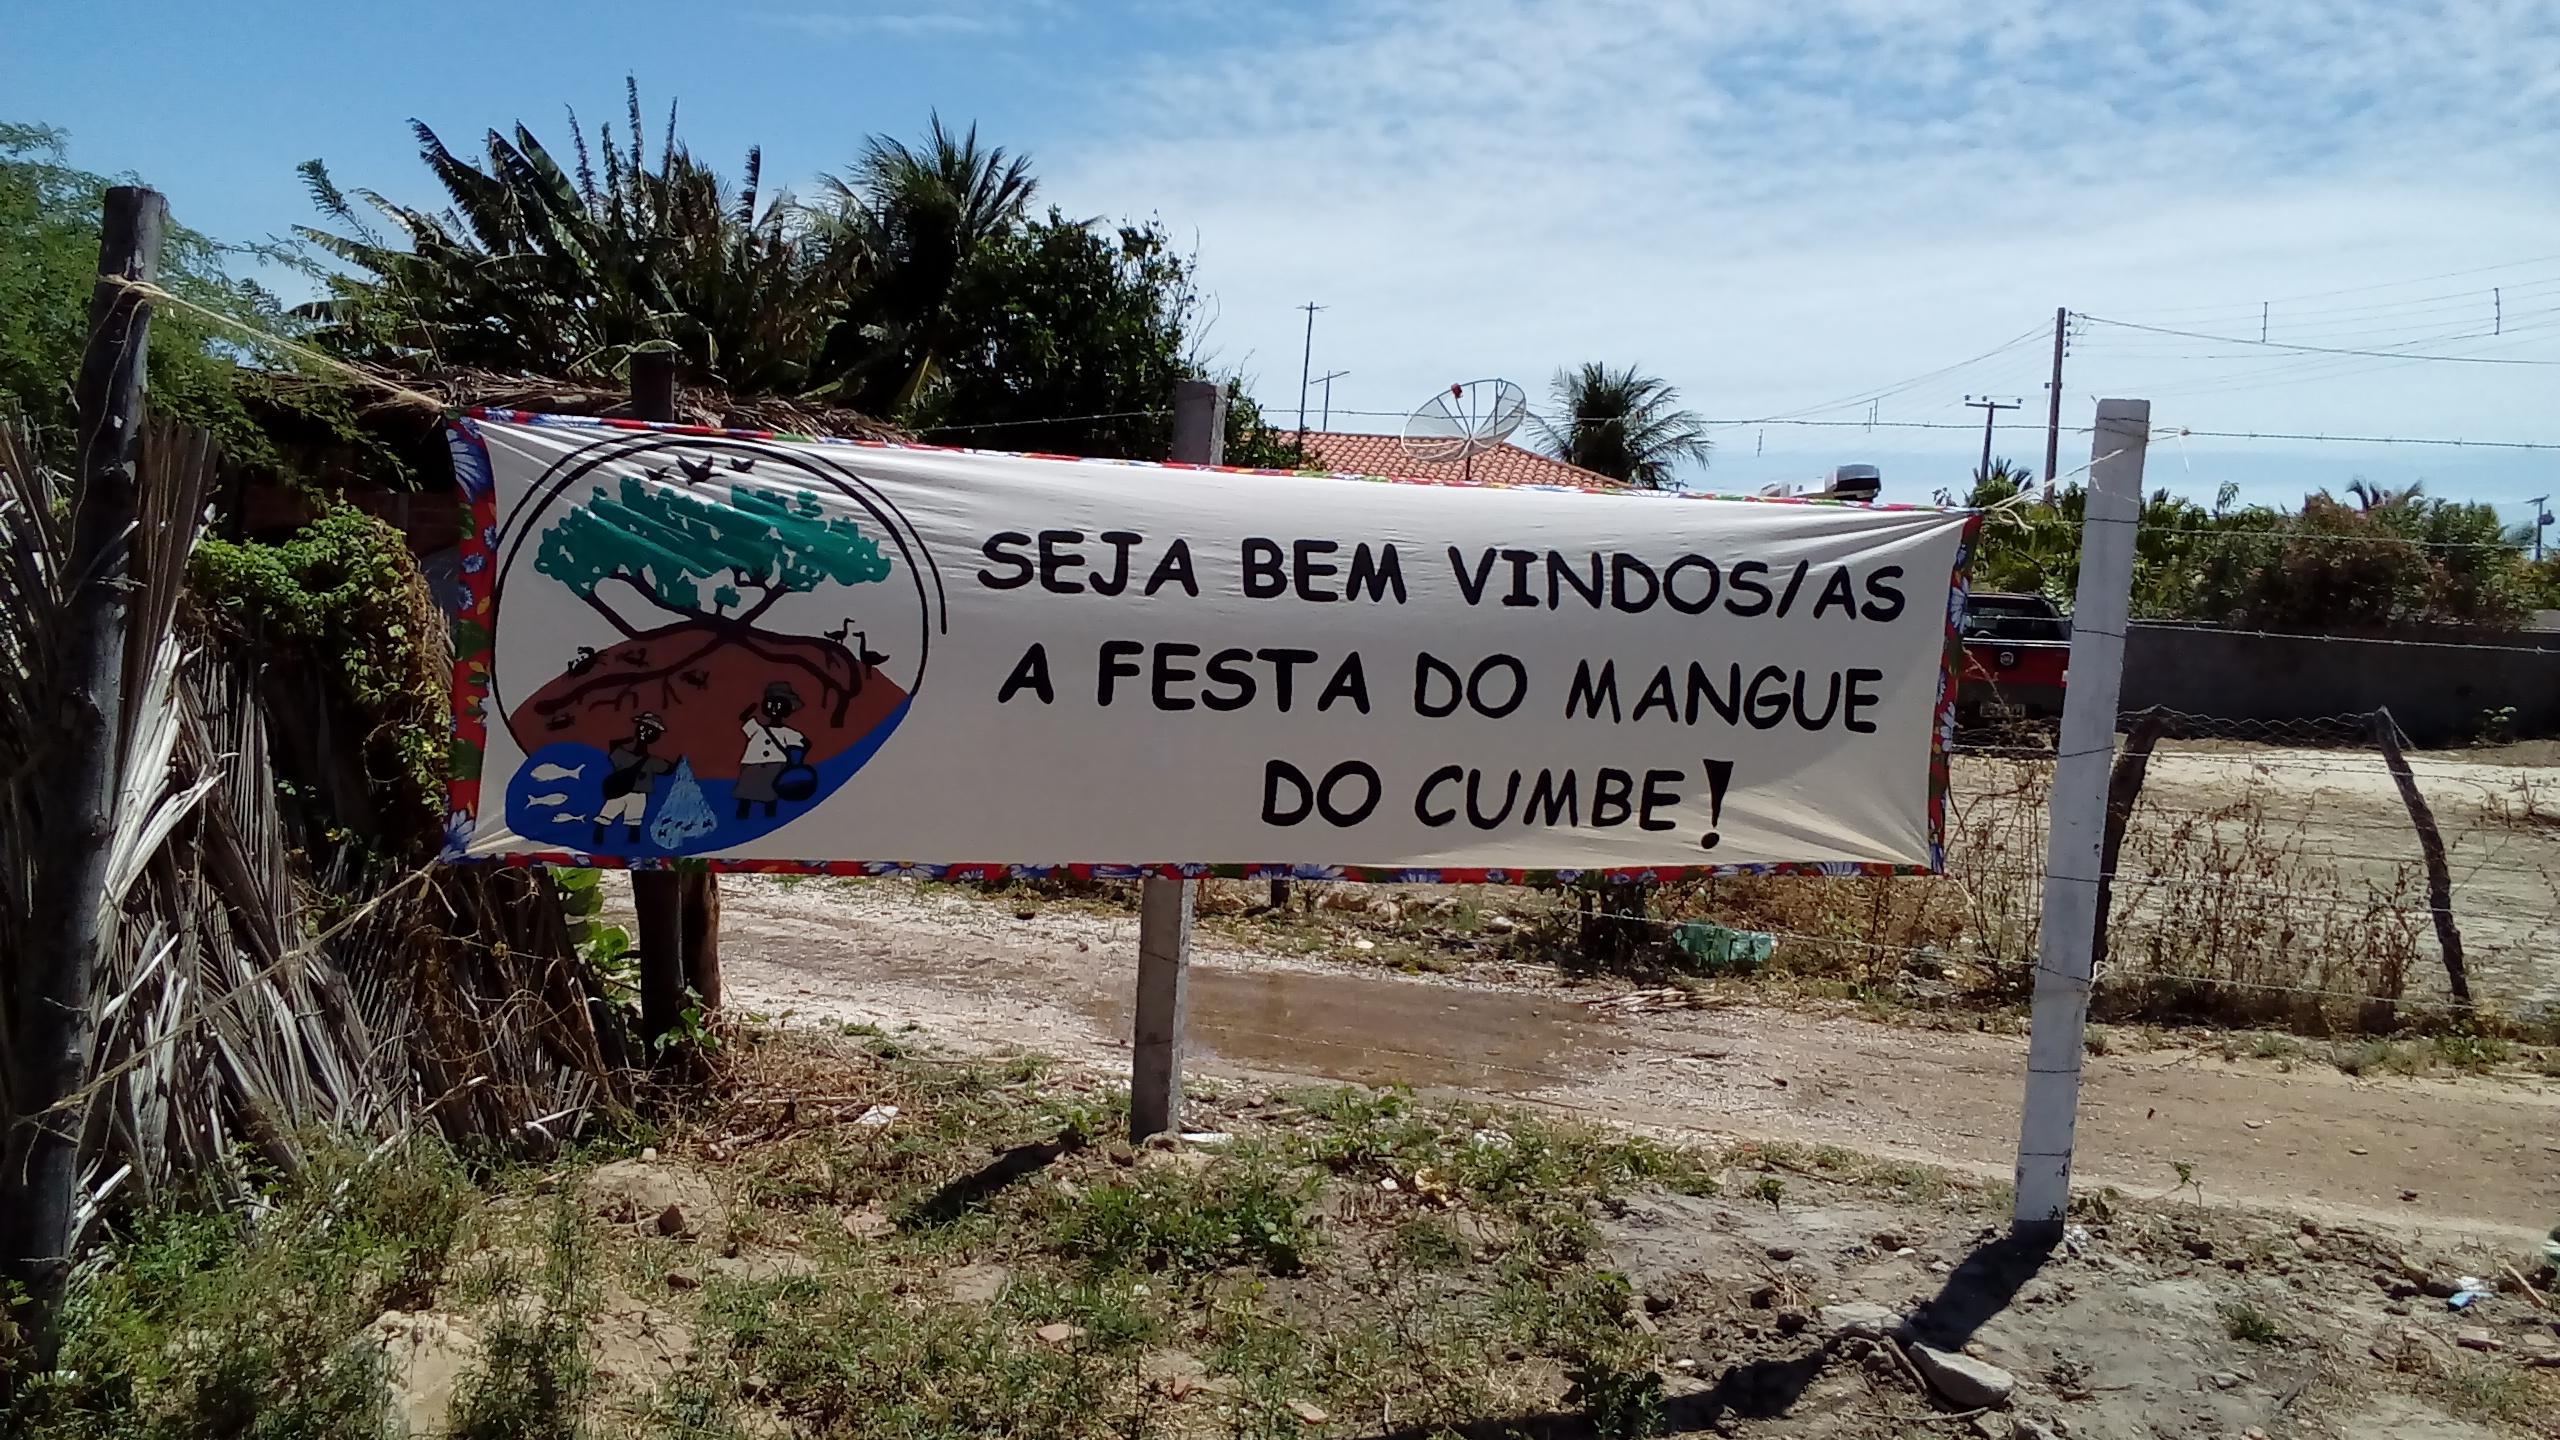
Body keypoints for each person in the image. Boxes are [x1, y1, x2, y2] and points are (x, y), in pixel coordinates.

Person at [596, 712, 675, 845]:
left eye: (650, 732)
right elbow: (668, 770)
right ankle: (607, 841)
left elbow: (668, 770)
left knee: (629, 820)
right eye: (643, 729)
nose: (644, 733)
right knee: (621, 818)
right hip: (627, 792)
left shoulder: (641, 759)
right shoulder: (636, 758)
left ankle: (624, 843)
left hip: (631, 792)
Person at [736, 681, 809, 819]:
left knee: (770, 794)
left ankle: (768, 816)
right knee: (746, 793)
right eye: (770, 705)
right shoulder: (759, 729)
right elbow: (745, 721)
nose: (774, 709)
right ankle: (744, 816)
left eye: (779, 706)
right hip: (752, 764)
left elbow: (803, 744)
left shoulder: (787, 733)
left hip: (774, 765)